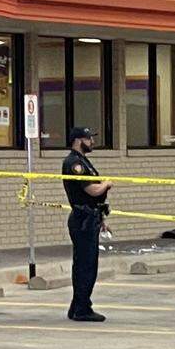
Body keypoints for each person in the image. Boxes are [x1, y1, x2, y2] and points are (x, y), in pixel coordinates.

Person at [63, 126, 112, 322]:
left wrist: (101, 219)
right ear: (78, 140)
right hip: (82, 219)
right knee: (85, 266)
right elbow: (92, 190)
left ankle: (77, 306)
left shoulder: (83, 161)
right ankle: (82, 308)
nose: (92, 142)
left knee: (87, 264)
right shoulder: (74, 163)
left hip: (90, 217)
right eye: (88, 139)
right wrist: (106, 184)